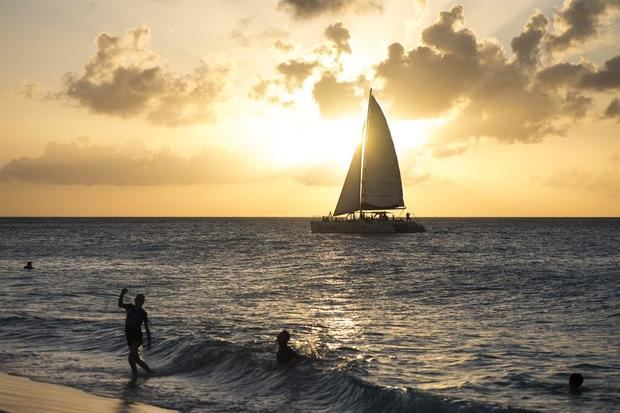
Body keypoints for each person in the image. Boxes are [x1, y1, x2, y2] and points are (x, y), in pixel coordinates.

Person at [118, 288, 152, 378]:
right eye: (139, 300)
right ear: (135, 300)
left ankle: (135, 375)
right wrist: (122, 294)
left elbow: (147, 328)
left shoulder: (143, 313)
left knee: (130, 358)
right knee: (136, 359)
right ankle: (150, 373)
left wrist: (149, 341)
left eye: (142, 301)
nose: (141, 302)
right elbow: (120, 305)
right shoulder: (130, 307)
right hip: (129, 336)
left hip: (137, 337)